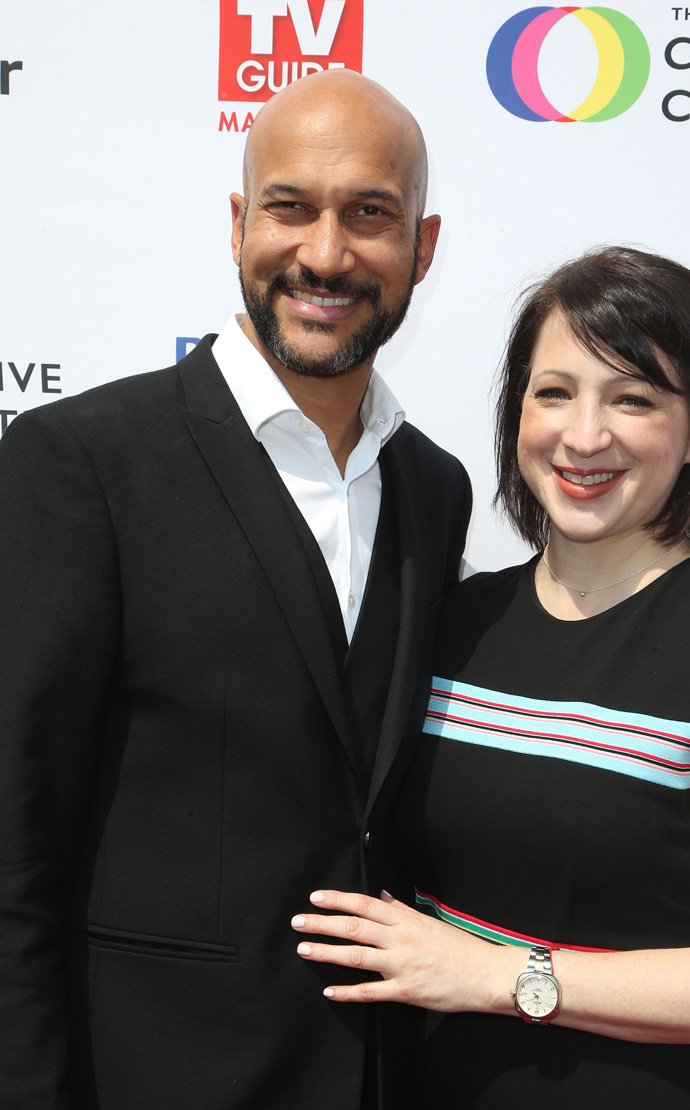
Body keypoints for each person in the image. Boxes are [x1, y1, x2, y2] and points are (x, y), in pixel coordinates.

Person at [0, 70, 471, 1110]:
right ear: (236, 222)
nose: (325, 253)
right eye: (289, 207)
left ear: (421, 248)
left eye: (370, 215)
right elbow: (14, 840)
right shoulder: (81, 463)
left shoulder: (435, 486)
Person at [290, 246, 690, 1109]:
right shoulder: (457, 620)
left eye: (633, 399)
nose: (584, 435)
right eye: (554, 392)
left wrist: (498, 977)